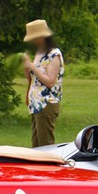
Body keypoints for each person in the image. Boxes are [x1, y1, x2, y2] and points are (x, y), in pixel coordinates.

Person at [22, 19, 64, 147]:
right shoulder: (39, 53)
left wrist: (33, 67)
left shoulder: (54, 55)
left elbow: (50, 82)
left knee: (45, 145)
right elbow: (32, 80)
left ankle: (49, 167)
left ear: (42, 37)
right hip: (35, 104)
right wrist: (26, 66)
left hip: (46, 104)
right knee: (36, 146)